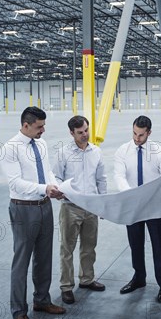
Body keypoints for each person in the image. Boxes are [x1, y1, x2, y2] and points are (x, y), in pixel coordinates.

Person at [0, 107, 66, 319]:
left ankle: (42, 300)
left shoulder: (41, 144)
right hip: (23, 209)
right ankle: (19, 313)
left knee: (44, 257)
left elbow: (46, 171)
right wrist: (43, 188)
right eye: (39, 126)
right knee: (22, 262)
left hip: (44, 206)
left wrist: (54, 188)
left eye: (44, 125)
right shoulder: (10, 148)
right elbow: (15, 183)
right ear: (26, 125)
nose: (43, 130)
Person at [114, 115, 161, 303]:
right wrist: (131, 195)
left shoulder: (159, 152)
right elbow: (119, 176)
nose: (137, 138)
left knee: (159, 246)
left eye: (141, 135)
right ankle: (139, 278)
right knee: (135, 245)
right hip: (133, 206)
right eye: (134, 133)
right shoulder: (123, 151)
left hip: (154, 207)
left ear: (149, 133)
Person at [53, 116, 107, 305]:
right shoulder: (63, 153)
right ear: (71, 133)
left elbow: (101, 179)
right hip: (71, 207)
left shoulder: (96, 152)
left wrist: (102, 203)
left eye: (86, 130)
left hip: (91, 206)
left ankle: (87, 279)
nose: (84, 135)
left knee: (89, 247)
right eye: (80, 132)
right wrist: (62, 192)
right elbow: (56, 178)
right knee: (67, 249)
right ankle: (66, 286)